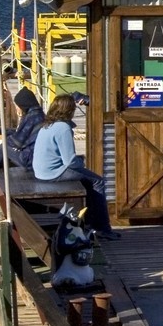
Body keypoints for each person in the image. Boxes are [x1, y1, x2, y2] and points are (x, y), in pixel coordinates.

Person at [32, 93, 120, 241]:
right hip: (54, 173)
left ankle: (91, 223)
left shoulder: (48, 125)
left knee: (88, 180)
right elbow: (70, 161)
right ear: (69, 111)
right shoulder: (63, 128)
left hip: (42, 171)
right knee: (98, 181)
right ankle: (102, 228)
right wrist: (82, 162)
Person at [0, 87, 45, 170]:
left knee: (4, 147)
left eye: (17, 106)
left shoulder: (31, 118)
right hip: (40, 158)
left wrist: (7, 137)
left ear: (23, 105)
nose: (17, 108)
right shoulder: (41, 114)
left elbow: (17, 142)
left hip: (30, 159)